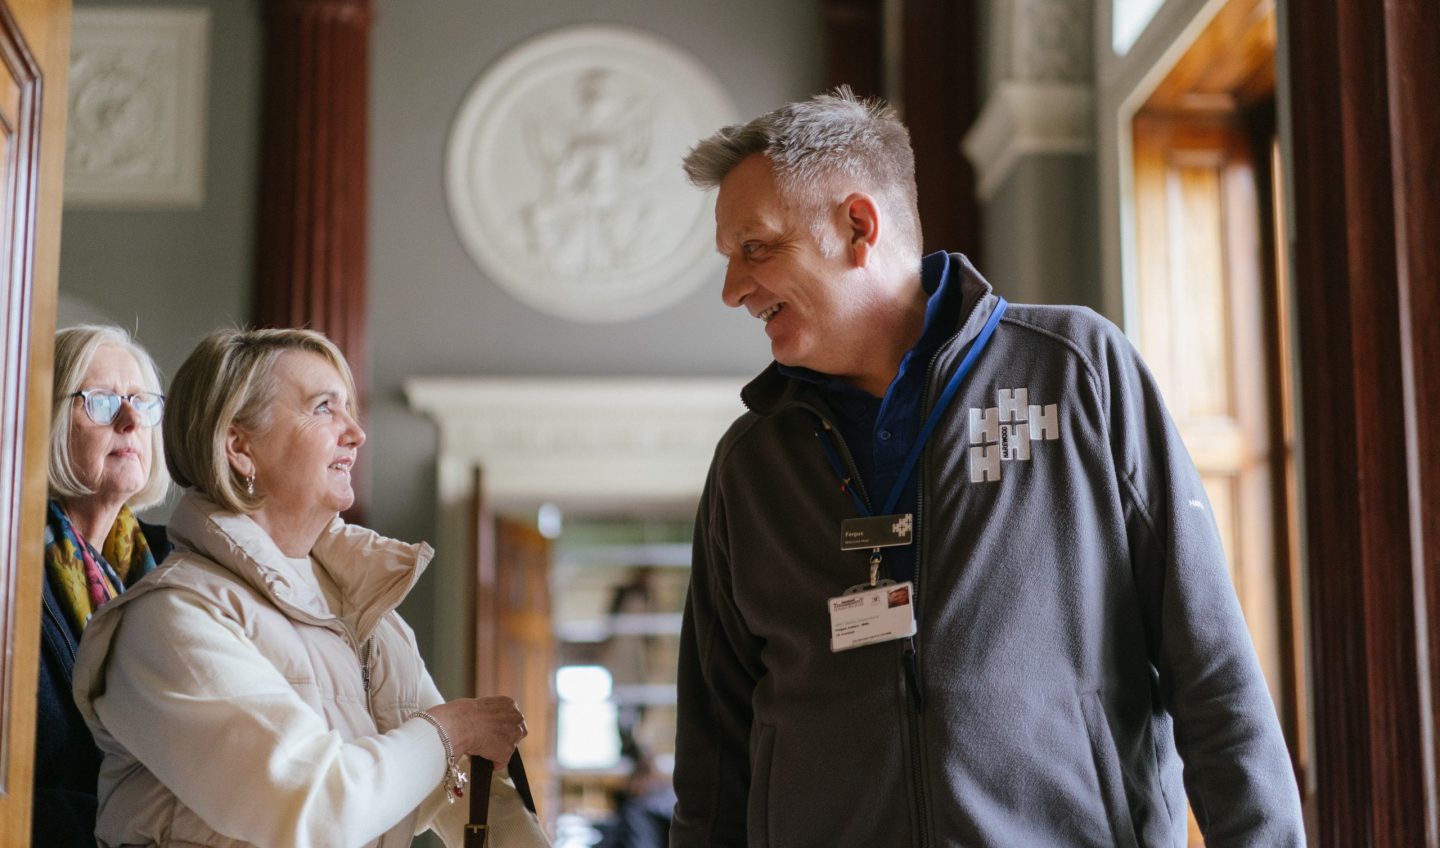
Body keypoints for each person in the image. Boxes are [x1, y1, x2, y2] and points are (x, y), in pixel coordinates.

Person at [670, 88, 1305, 847]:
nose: (734, 289)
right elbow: (712, 762)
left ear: (857, 226)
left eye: (757, 248)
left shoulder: (1076, 372)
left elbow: (1213, 672)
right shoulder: (750, 465)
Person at [72, 327, 550, 848]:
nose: (356, 433)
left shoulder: (369, 619)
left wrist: (464, 745)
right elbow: (316, 808)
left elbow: (459, 785)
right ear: (239, 446)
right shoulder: (169, 621)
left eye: (349, 408)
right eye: (324, 408)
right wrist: (450, 729)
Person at [35, 325, 172, 848]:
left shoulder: (174, 566)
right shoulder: (12, 568)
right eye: (101, 401)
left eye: (141, 401)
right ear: (44, 419)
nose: (130, 419)